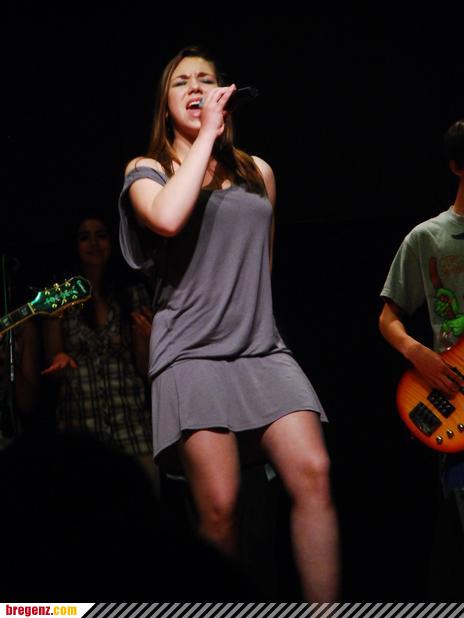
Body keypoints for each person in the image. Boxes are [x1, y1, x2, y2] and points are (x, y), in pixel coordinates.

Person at [118, 45, 339, 601]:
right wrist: (206, 138)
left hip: (260, 348)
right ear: (165, 105)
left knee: (313, 471)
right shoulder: (148, 171)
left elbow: (263, 263)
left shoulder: (257, 172)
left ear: (226, 93)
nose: (195, 87)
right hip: (190, 353)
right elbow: (168, 217)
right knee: (219, 506)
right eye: (182, 82)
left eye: (206, 79)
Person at [379, 118, 464, 599]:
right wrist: (420, 355)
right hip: (454, 400)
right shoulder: (427, 238)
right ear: (456, 167)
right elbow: (387, 318)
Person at [42, 213, 156, 485]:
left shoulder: (132, 291)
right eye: (85, 237)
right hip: (82, 427)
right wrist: (59, 360)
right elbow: (52, 358)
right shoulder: (59, 295)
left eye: (101, 235)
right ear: (74, 245)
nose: (94, 243)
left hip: (131, 425)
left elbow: (144, 369)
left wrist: (149, 338)